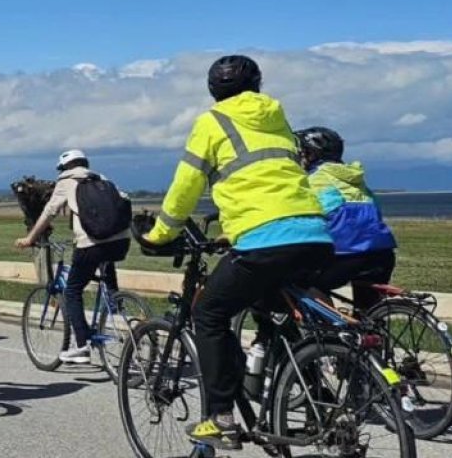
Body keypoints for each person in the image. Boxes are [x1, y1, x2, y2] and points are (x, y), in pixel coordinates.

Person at [136, 55, 334, 449]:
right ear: (257, 86)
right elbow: (269, 180)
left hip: (264, 239)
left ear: (213, 90)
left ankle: (220, 417)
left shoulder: (212, 122)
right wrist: (233, 229)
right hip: (314, 233)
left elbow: (186, 184)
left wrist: (160, 233)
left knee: (207, 312)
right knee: (272, 308)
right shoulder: (278, 118)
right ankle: (317, 396)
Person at [14, 149, 131, 364]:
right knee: (104, 262)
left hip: (91, 243)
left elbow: (49, 212)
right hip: (121, 241)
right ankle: (115, 302)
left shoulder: (67, 181)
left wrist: (30, 238)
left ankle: (82, 346)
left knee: (72, 291)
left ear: (65, 168)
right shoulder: (102, 178)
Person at [296, 127, 398, 311]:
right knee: (368, 317)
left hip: (347, 254)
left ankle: (329, 337)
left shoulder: (313, 180)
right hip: (383, 253)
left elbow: (302, 218)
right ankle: (372, 337)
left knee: (305, 284)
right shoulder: (355, 180)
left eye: (301, 152)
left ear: (310, 154)